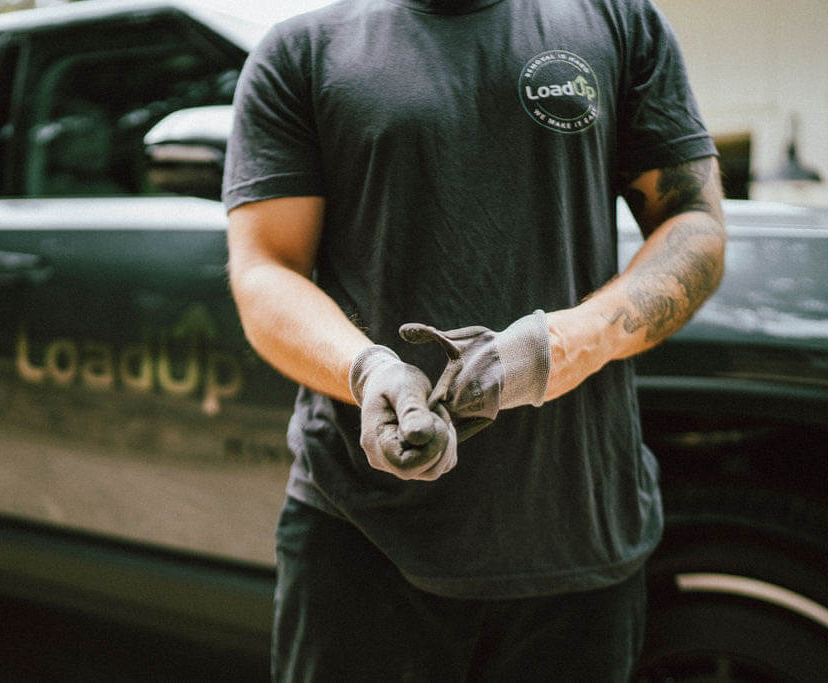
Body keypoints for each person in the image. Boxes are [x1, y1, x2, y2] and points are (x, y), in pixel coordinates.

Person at [223, 0, 726, 680]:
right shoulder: (304, 51)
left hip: (576, 537)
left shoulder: (616, 20)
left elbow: (693, 221)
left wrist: (558, 348)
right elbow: (264, 268)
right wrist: (365, 370)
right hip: (360, 541)